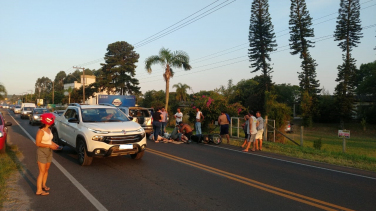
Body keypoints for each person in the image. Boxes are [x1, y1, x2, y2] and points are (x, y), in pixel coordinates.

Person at [35, 113, 60, 196]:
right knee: (41, 171)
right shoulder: (40, 131)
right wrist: (49, 145)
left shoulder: (49, 130)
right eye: (52, 120)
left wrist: (54, 144)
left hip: (49, 152)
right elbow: (38, 143)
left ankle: (43, 185)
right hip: (42, 152)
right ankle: (39, 190)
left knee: (46, 170)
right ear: (47, 121)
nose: (53, 122)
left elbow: (49, 140)